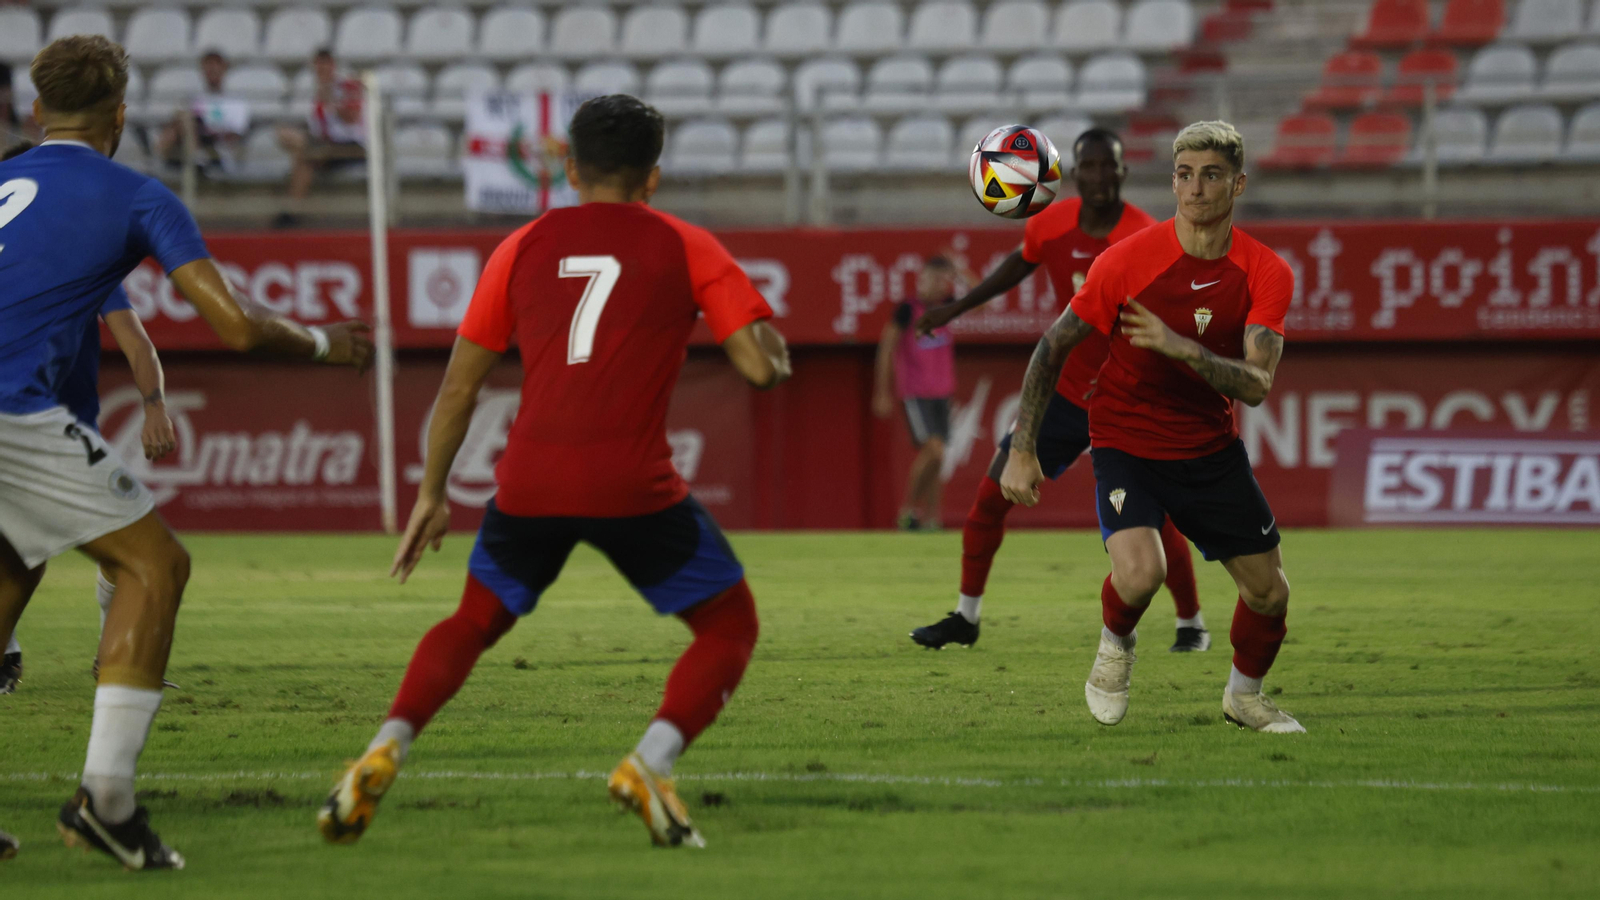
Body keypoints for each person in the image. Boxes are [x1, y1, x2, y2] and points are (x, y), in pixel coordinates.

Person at [317, 95, 791, 850]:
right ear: (653, 177)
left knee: (473, 621)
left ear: (569, 168)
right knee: (729, 624)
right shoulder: (688, 244)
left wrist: (432, 493)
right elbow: (758, 370)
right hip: (633, 486)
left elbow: (458, 390)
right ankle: (650, 763)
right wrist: (776, 353)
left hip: (530, 483)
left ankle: (385, 745)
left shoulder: (521, 245)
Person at [0, 36, 373, 870]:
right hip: (11, 410)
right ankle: (107, 803)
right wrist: (323, 343)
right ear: (121, 117)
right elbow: (235, 326)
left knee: (12, 576)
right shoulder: (137, 195)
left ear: (38, 111)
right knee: (154, 565)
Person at [997, 121, 1303, 734]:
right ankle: (1115, 646)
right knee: (1142, 574)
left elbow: (1256, 385)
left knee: (1270, 593)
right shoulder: (1126, 260)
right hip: (1126, 439)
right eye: (1184, 175)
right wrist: (1022, 448)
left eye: (1211, 175)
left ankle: (1244, 697)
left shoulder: (1266, 272)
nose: (1195, 189)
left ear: (1238, 184)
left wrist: (1181, 348)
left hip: (1208, 447)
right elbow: (1052, 346)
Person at [909, 129, 1210, 653]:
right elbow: (1017, 265)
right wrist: (956, 308)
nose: (1099, 175)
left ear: (1123, 172)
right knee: (990, 498)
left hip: (1130, 398)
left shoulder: (1145, 235)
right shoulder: (1049, 223)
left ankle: (1191, 623)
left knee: (1154, 517)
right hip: (1067, 394)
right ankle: (966, 616)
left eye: (1108, 165)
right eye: (1089, 165)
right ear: (1072, 173)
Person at [0, 140, 177, 696]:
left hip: (61, 429)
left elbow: (136, 342)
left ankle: (105, 655)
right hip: (25, 426)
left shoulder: (76, 261)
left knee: (117, 548)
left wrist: (154, 404)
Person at [874, 256, 959, 531]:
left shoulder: (948, 306)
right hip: (916, 391)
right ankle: (908, 509)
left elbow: (984, 303)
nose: (937, 284)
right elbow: (887, 346)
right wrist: (882, 391)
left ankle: (932, 518)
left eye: (942, 279)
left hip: (943, 391)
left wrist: (960, 271)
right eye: (931, 278)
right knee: (933, 450)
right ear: (921, 279)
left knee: (938, 458)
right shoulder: (907, 310)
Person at [274, 48, 365, 223]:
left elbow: (352, 117)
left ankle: (290, 210)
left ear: (333, 65)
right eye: (319, 64)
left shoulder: (347, 86)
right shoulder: (314, 92)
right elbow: (315, 126)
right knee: (297, 149)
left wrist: (331, 100)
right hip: (325, 146)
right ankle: (291, 212)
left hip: (350, 144)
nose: (322, 69)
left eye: (326, 64)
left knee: (303, 156)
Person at [154, 51, 249, 174]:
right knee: (180, 119)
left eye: (216, 67)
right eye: (208, 68)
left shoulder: (236, 103)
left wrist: (208, 130)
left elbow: (235, 137)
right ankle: (189, 156)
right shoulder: (195, 100)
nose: (212, 71)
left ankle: (190, 156)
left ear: (224, 69)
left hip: (217, 151)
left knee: (185, 118)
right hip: (190, 142)